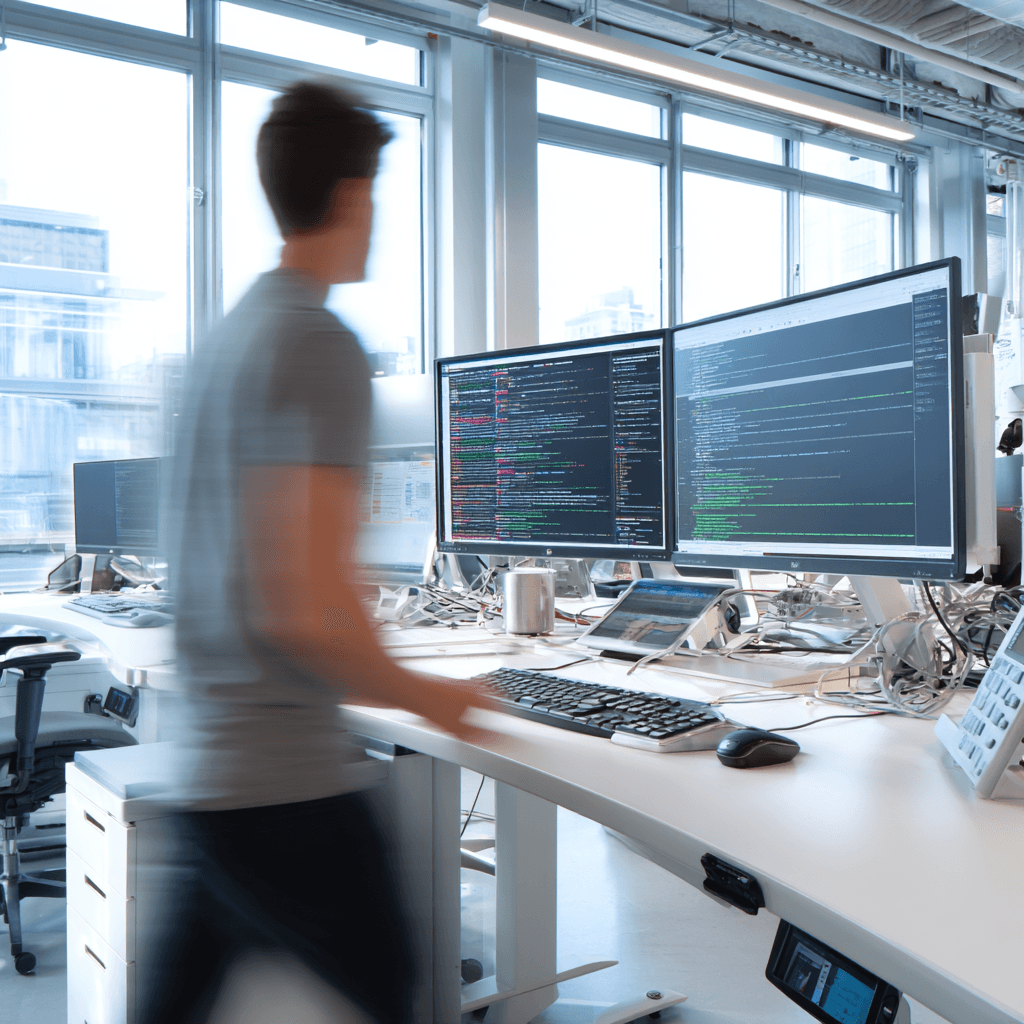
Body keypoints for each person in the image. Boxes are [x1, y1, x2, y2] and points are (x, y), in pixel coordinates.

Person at [140, 80, 489, 1024]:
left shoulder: (228, 340)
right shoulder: (318, 342)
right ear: (352, 195)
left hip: (209, 767)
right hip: (287, 782)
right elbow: (306, 604)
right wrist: (435, 696)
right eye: (375, 191)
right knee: (395, 1001)